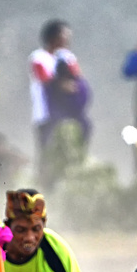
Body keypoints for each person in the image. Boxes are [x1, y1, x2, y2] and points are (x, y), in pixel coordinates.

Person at [30, 19, 91, 173]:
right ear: (53, 37)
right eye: (64, 35)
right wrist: (61, 84)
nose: (68, 39)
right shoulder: (39, 57)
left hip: (69, 111)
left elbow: (78, 78)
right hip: (46, 112)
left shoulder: (68, 56)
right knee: (46, 148)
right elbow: (44, 78)